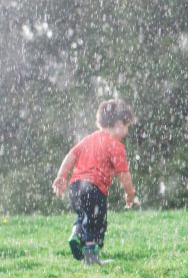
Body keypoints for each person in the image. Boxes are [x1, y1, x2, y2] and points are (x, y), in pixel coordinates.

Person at [52, 99, 137, 265]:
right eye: (127, 126)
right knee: (97, 221)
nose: (126, 131)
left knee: (84, 215)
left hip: (76, 186)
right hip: (94, 187)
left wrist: (61, 176)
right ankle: (91, 257)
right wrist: (130, 193)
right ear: (119, 124)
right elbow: (124, 174)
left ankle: (76, 235)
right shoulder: (116, 145)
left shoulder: (89, 139)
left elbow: (71, 155)